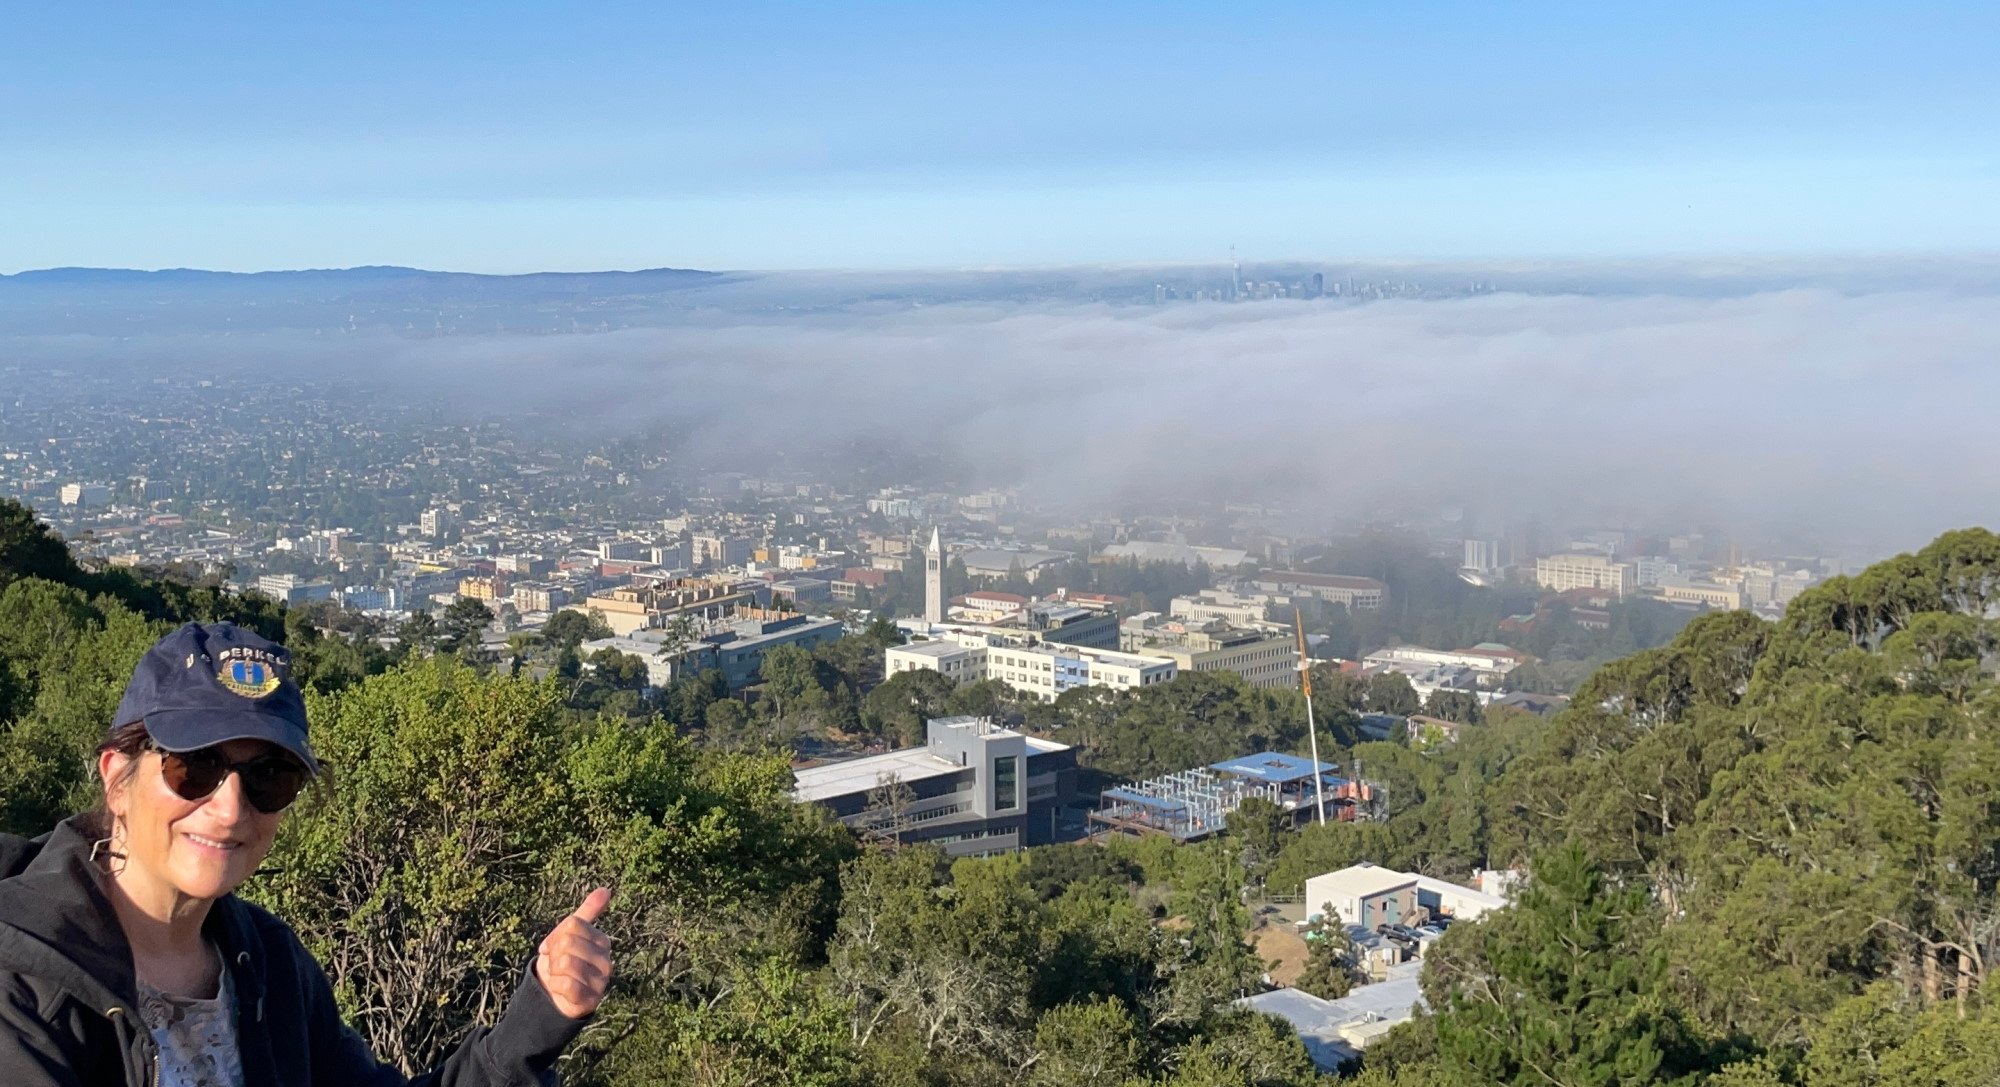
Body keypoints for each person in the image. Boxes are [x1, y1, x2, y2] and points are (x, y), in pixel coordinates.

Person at [0, 622, 614, 1085]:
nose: (231, 807)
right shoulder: (26, 984)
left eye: (269, 777)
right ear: (117, 778)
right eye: (194, 767)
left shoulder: (263, 963)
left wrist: (539, 1018)